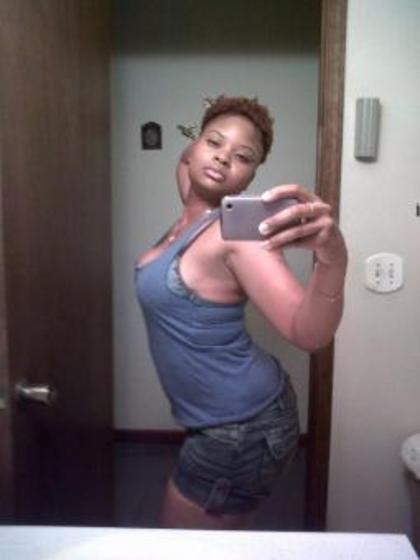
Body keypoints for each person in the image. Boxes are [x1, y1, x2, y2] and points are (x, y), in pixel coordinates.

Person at [135, 95, 347, 530]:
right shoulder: (191, 213)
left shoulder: (236, 235)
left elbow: (308, 334)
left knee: (184, 551)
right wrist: (217, 131)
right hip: (220, 420)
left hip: (243, 427)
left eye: (243, 157)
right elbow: (188, 161)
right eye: (213, 142)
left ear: (251, 176)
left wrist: (333, 257)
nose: (222, 157)